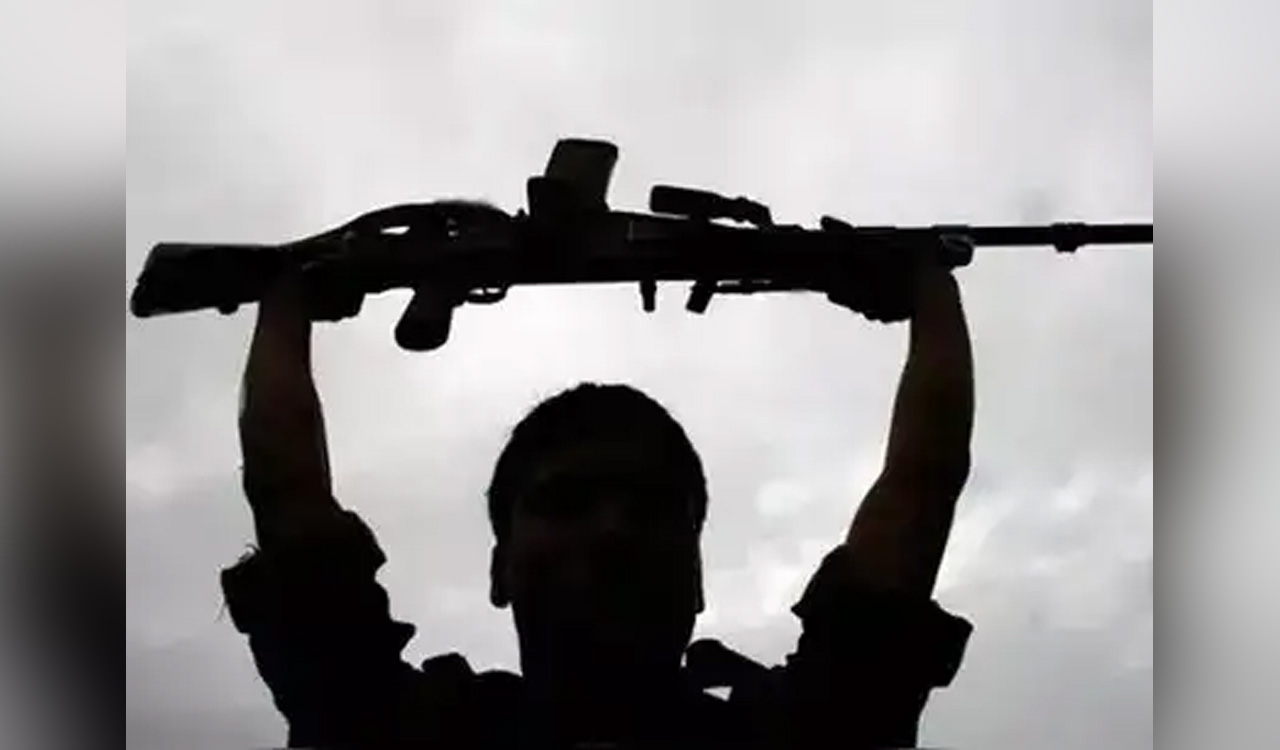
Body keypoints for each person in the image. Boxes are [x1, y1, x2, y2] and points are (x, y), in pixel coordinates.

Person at [221, 227, 976, 749]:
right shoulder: (408, 730)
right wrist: (291, 294)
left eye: (652, 508)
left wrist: (927, 284)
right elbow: (286, 489)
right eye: (566, 502)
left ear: (699, 575)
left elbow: (923, 486)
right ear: (499, 567)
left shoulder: (792, 736)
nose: (613, 530)